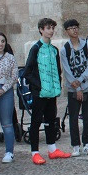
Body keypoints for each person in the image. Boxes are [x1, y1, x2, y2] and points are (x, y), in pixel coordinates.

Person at [23, 18, 71, 164]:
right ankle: (35, 152)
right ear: (41, 30)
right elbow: (28, 71)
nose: (51, 31)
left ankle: (52, 149)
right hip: (40, 93)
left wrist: (56, 84)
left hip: (52, 92)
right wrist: (39, 86)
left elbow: (57, 69)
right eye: (48, 28)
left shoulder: (54, 50)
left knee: (51, 120)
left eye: (52, 28)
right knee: (36, 121)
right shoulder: (36, 48)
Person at [59, 19, 88, 157]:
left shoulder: (87, 46)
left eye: (76, 27)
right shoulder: (65, 49)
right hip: (72, 89)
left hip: (87, 86)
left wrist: (80, 82)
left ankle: (86, 143)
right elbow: (67, 70)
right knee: (73, 118)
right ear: (67, 31)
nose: (74, 30)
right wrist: (76, 88)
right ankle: (75, 145)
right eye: (71, 28)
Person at [0, 32, 18, 164]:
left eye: (2, 41)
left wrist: (3, 89)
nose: (0, 44)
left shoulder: (10, 58)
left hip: (6, 91)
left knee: (7, 123)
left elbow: (14, 75)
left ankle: (9, 152)